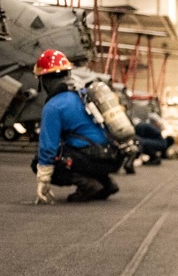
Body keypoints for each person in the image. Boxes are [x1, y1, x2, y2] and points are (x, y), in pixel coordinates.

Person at [31, 49, 120, 203]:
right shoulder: (83, 94)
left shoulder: (53, 106)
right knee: (78, 147)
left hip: (91, 159)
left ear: (43, 80)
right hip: (114, 158)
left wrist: (43, 180)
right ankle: (106, 184)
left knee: (38, 161)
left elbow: (48, 147)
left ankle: (88, 185)